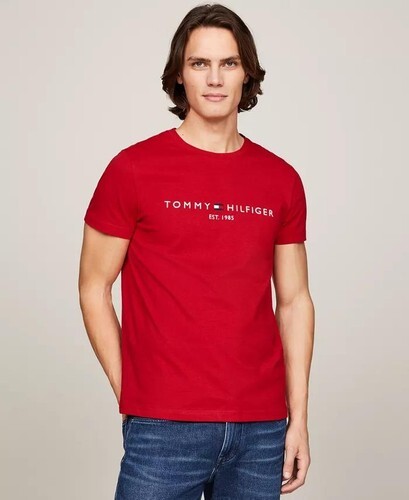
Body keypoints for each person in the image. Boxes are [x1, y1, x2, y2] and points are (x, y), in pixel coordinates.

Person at [78, 3, 314, 499]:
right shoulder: (132, 170)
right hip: (163, 428)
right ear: (179, 75)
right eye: (199, 63)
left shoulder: (281, 179)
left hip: (261, 429)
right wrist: (132, 393)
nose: (214, 78)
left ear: (247, 73)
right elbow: (93, 287)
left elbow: (294, 302)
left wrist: (299, 418)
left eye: (229, 63)